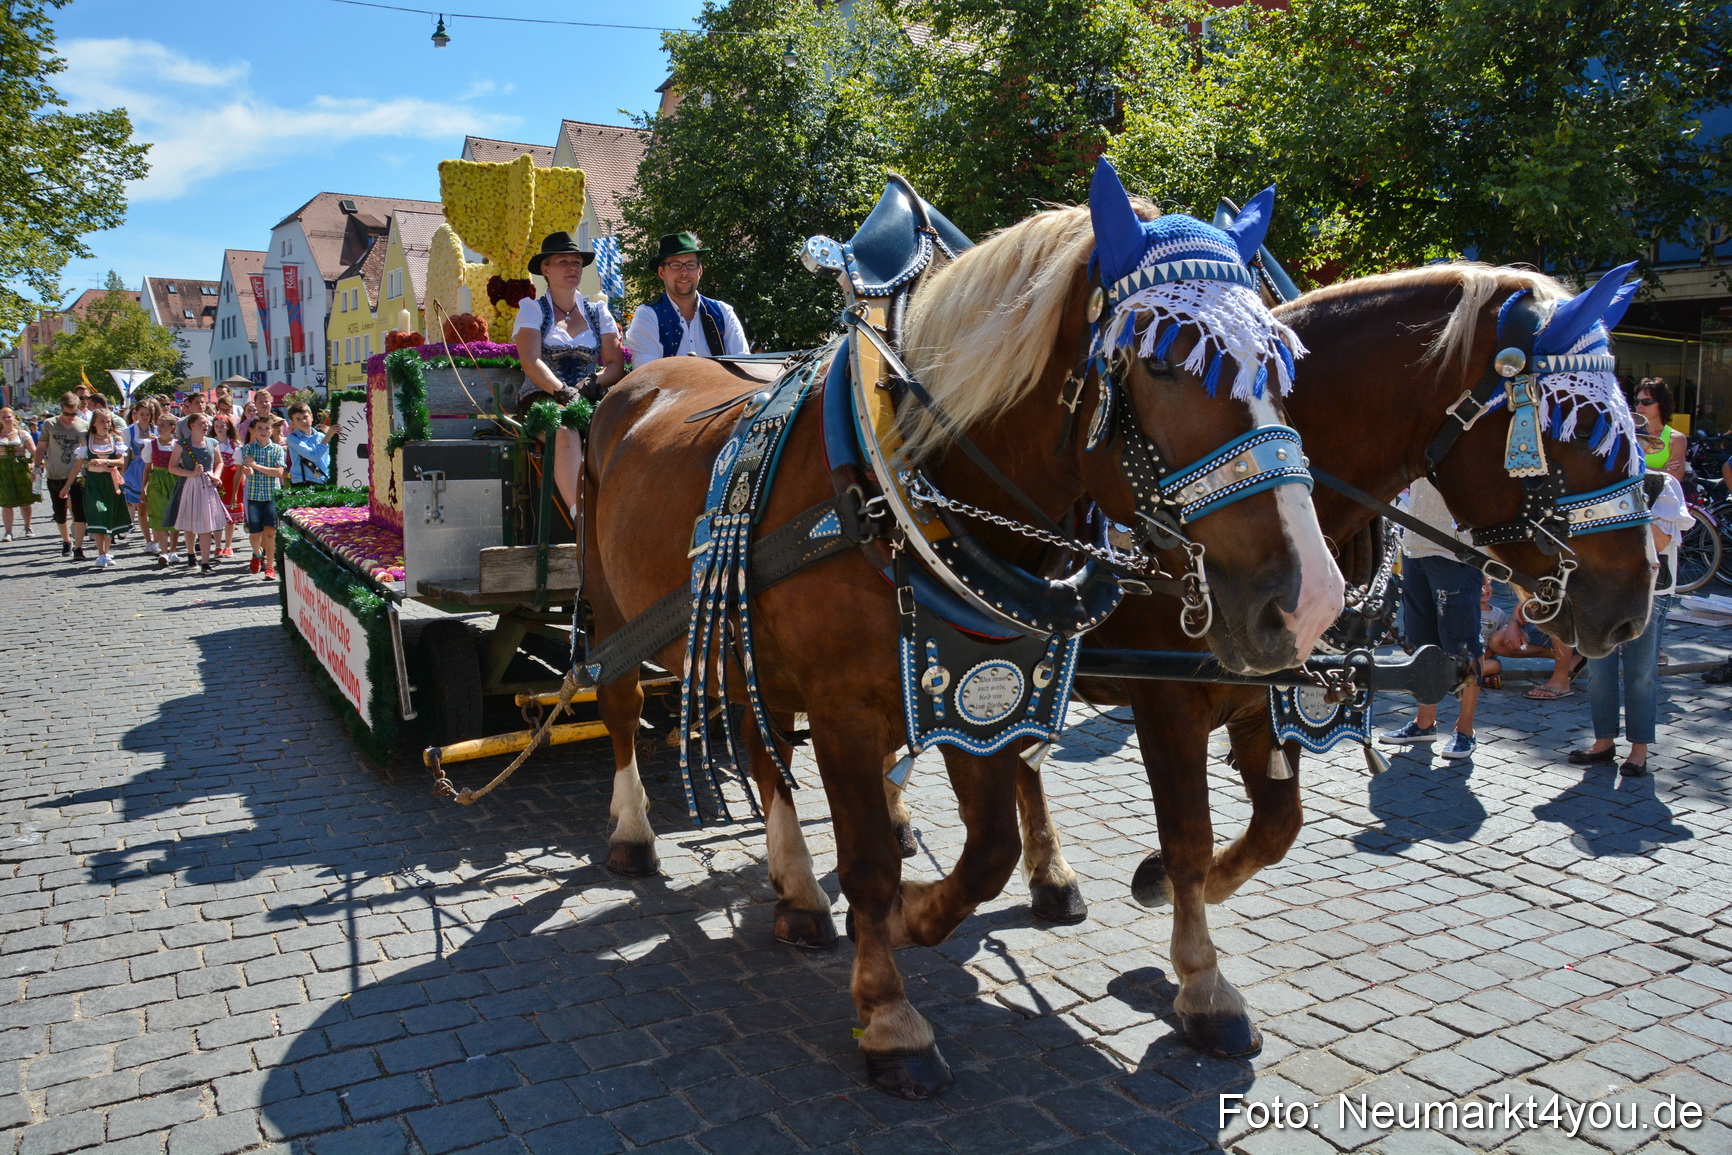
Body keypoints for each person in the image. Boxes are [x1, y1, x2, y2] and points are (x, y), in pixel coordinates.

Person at [1568, 470, 1693, 777]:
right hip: (1600, 588)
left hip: (1647, 590)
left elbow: (1661, 541)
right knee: (1599, 671)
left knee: (1640, 672)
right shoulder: (1593, 476)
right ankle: (1603, 742)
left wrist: (1625, 504)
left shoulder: (1660, 483)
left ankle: (1639, 750)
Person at [515, 232, 626, 518]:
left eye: (576, 262)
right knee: (563, 429)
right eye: (562, 262)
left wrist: (591, 383)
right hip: (541, 397)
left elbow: (615, 364)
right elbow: (531, 361)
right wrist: (562, 391)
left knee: (626, 426)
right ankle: (582, 519)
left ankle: (625, 512)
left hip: (589, 396)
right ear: (546, 269)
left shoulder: (598, 312)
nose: (572, 267)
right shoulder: (532, 309)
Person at [1379, 478, 1483, 760]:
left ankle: (1466, 730)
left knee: (1463, 644)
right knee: (1422, 644)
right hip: (1414, 546)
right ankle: (1424, 722)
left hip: (1456, 552)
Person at [622, 232, 749, 368]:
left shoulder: (723, 313)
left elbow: (744, 365)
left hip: (723, 383)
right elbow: (647, 373)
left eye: (691, 265)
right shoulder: (647, 316)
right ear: (662, 272)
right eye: (675, 265)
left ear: (699, 271)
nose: (684, 272)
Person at [62, 408, 130, 569]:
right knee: (99, 513)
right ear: (94, 423)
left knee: (109, 516)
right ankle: (101, 553)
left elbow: (121, 462)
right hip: (94, 483)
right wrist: (67, 486)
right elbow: (77, 465)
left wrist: (105, 462)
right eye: (102, 421)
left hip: (111, 482)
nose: (106, 424)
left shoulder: (115, 439)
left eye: (108, 421)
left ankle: (106, 552)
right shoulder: (87, 440)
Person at [164, 412, 229, 574]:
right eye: (202, 423)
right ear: (192, 426)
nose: (206, 425)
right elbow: (172, 467)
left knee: (207, 524)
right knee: (190, 522)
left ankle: (205, 562)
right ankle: (191, 554)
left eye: (206, 423)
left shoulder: (212, 442)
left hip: (208, 486)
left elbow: (219, 463)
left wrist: (216, 476)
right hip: (190, 485)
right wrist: (191, 473)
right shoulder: (182, 444)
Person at [33, 392, 89, 559]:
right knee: (59, 512)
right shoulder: (49, 424)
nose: (70, 417)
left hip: (77, 474)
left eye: (73, 414)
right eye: (66, 413)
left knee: (79, 512)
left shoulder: (83, 426)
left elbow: (87, 450)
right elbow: (41, 448)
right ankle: (66, 541)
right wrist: (36, 467)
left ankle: (78, 547)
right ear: (61, 408)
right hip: (55, 474)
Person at [240, 414, 287, 579]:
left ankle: (270, 566)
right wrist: (248, 469)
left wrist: (255, 466)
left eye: (267, 428)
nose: (263, 431)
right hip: (254, 496)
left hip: (271, 495)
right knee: (254, 535)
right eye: (259, 428)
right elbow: (246, 469)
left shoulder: (277, 449)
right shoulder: (248, 449)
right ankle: (257, 553)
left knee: (270, 532)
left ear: (272, 430)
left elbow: (279, 472)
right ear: (253, 430)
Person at [143, 412, 182, 567]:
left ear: (172, 427)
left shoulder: (178, 445)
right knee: (160, 515)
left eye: (163, 425)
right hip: (157, 481)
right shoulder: (151, 444)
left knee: (174, 515)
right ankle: (164, 552)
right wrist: (143, 487)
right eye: (158, 425)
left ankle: (173, 550)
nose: (159, 428)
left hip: (174, 480)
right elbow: (147, 467)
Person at [1633, 379, 1686, 484]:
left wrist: (1637, 468)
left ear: (1662, 403)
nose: (1640, 406)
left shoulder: (1676, 438)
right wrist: (1663, 471)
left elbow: (1675, 477)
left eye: (1647, 402)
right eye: (1636, 401)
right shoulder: (1627, 435)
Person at [121, 399, 157, 552]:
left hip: (155, 469)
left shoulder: (157, 430)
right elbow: (124, 455)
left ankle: (157, 538)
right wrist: (123, 475)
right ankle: (149, 540)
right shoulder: (129, 431)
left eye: (147, 414)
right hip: (137, 469)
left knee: (155, 507)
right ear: (136, 414)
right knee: (141, 507)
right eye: (141, 414)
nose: (144, 417)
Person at [0, 407, 37, 540]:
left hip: (20, 469)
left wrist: (33, 466)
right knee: (6, 502)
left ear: (14, 417)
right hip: (3, 470)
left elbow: (35, 452)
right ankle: (8, 532)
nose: (6, 419)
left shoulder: (22, 434)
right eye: (3, 417)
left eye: (9, 416)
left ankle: (28, 526)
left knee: (25, 500)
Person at [212, 414, 244, 558]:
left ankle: (228, 545)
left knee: (230, 515)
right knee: (216, 515)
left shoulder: (235, 444)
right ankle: (218, 546)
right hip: (216, 480)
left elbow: (240, 466)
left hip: (232, 480)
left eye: (222, 426)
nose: (219, 429)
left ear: (228, 427)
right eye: (216, 426)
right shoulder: (211, 443)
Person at [284, 403, 337, 486]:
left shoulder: (321, 436)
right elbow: (313, 456)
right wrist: (328, 436)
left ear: (311, 416)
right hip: (303, 483)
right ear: (293, 423)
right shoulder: (292, 438)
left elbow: (327, 461)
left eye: (305, 417)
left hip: (324, 481)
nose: (303, 421)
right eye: (298, 419)